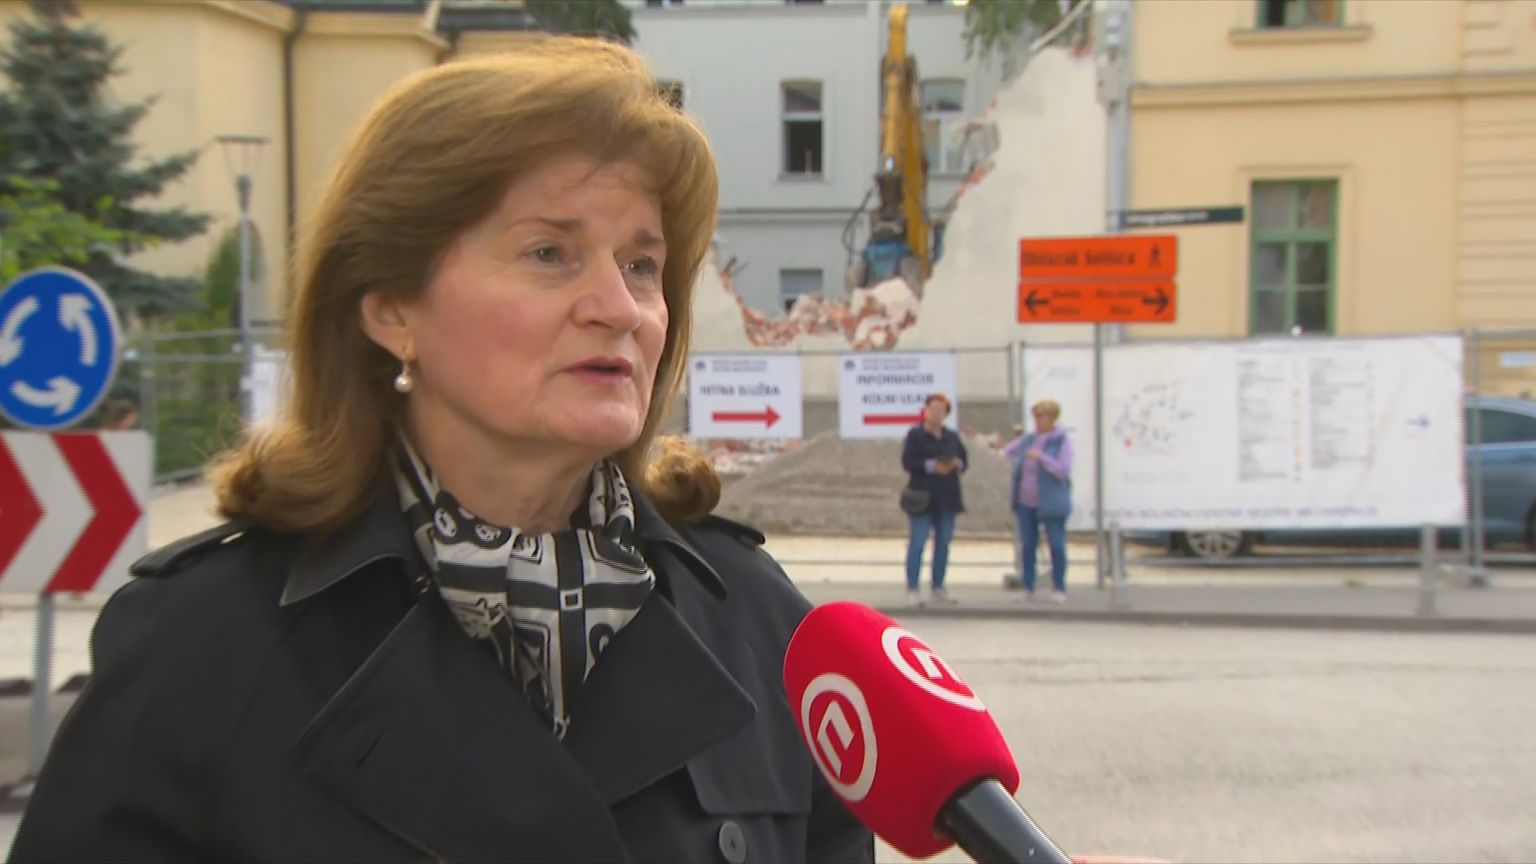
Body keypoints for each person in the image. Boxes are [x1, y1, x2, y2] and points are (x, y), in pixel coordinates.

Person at [11, 40, 872, 864]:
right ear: (391, 309)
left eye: (642, 265)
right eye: (550, 253)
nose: (619, 307)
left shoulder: (760, 624)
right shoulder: (204, 644)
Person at [900, 393, 967, 607]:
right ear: (926, 411)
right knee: (918, 542)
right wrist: (932, 466)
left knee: (943, 543)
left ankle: (938, 587)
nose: (936, 413)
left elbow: (964, 459)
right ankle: (913, 587)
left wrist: (954, 464)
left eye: (941, 410)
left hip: (947, 497)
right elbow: (908, 461)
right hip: (922, 497)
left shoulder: (951, 436)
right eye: (933, 409)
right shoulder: (916, 435)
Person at [1006, 400, 1073, 603]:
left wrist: (1042, 458)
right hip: (1025, 501)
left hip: (1051, 501)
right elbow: (1009, 451)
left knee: (1056, 545)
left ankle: (1059, 587)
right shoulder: (1029, 439)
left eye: (1042, 417)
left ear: (1052, 419)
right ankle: (1028, 586)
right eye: (1036, 418)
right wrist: (1017, 461)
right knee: (1028, 545)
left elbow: (1063, 470)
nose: (1038, 422)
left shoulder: (1061, 441)